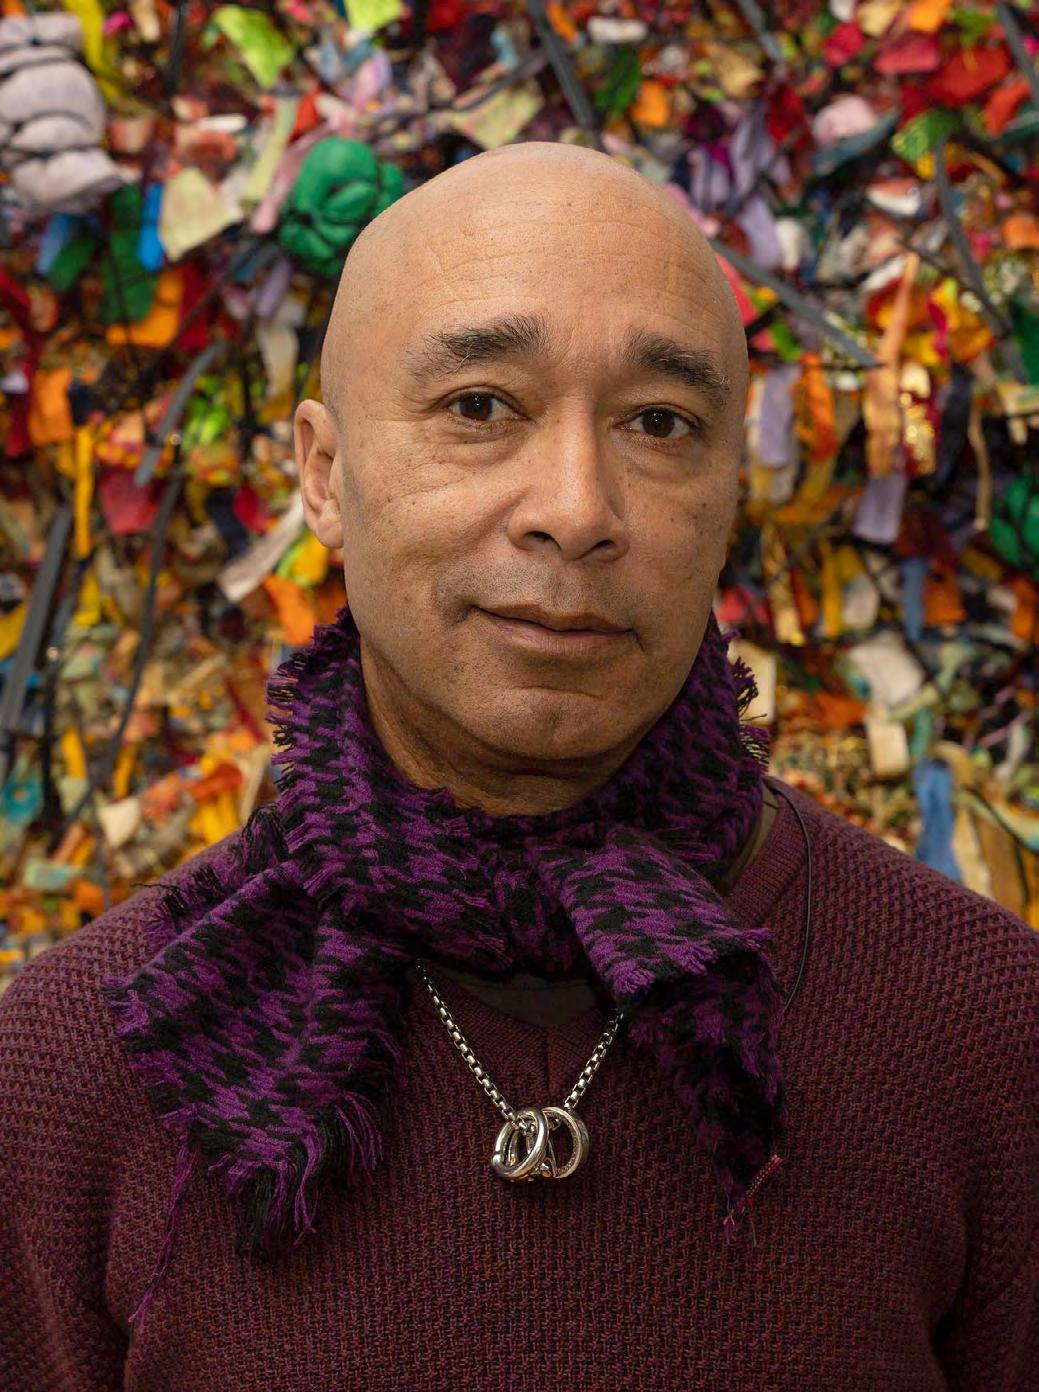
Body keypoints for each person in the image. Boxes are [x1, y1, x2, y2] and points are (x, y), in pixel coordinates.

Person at [1, 141, 1036, 1392]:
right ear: (323, 474)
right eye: (480, 408)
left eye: (659, 423)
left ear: (730, 489)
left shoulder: (987, 1032)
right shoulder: (70, 1073)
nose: (576, 507)